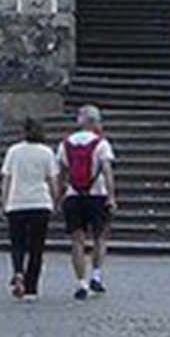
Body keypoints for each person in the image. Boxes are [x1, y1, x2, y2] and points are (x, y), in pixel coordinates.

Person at [57, 104, 116, 299]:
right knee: (100, 237)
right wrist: (111, 196)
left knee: (77, 240)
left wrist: (59, 196)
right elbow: (107, 170)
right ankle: (96, 276)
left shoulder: (65, 144)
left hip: (73, 195)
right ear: (94, 122)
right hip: (97, 194)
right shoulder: (101, 143)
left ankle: (81, 283)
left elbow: (61, 173)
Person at [0, 116, 58, 300]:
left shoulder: (13, 151)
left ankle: (18, 271)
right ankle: (31, 288)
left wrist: (4, 202)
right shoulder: (46, 152)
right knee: (36, 248)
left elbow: (7, 179)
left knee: (17, 244)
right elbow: (52, 180)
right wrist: (55, 200)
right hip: (40, 203)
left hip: (16, 203)